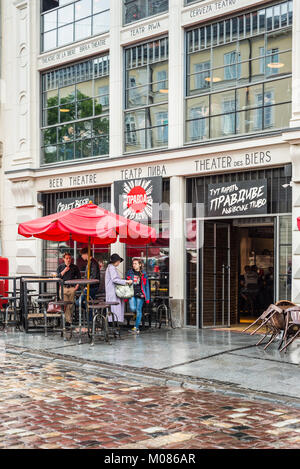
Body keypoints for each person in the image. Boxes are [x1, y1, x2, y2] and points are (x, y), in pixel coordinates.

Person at [105, 253, 132, 323]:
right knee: (115, 308)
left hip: (112, 291)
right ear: (116, 261)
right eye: (119, 261)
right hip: (112, 291)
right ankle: (114, 323)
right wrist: (126, 281)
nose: (119, 263)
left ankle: (114, 322)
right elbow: (115, 279)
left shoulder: (111, 267)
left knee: (115, 308)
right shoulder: (111, 268)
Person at [126, 258, 150, 334]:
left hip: (141, 294)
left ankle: (136, 328)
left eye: (135, 263)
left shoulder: (144, 274)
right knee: (133, 308)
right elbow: (126, 283)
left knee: (138, 310)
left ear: (140, 264)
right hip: (132, 293)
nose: (134, 265)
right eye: (133, 264)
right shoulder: (130, 272)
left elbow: (146, 286)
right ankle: (136, 315)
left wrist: (147, 297)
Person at [56, 252, 80, 326]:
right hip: (63, 288)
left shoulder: (75, 267)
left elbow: (79, 277)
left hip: (72, 288)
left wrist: (77, 286)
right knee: (66, 304)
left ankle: (68, 320)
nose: (68, 260)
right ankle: (69, 321)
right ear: (63, 259)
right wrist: (64, 270)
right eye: (67, 258)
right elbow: (57, 277)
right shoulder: (60, 267)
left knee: (71, 304)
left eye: (70, 258)